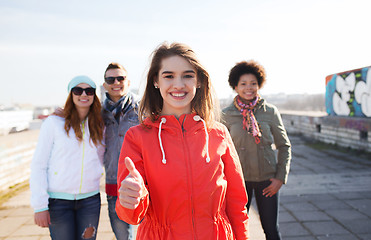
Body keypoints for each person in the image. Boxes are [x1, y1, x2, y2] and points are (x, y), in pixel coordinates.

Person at [115, 42, 249, 239]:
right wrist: (130, 199)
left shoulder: (218, 133)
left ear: (199, 81)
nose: (178, 84)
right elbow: (131, 216)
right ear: (156, 81)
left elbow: (237, 202)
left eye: (188, 75)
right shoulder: (137, 137)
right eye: (168, 76)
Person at [222, 60, 292, 240]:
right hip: (238, 182)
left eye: (253, 83)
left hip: (266, 181)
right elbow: (219, 151)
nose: (249, 88)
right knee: (235, 231)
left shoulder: (270, 111)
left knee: (271, 230)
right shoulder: (226, 115)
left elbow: (284, 146)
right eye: (243, 84)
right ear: (235, 86)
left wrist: (279, 178)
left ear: (259, 85)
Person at [30, 76, 105, 240]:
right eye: (78, 90)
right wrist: (40, 206)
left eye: (89, 91)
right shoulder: (53, 123)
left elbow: (101, 159)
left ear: (94, 95)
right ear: (71, 94)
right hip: (58, 202)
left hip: (90, 200)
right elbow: (38, 165)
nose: (84, 94)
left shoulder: (99, 126)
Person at [102, 62, 139, 239]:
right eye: (111, 79)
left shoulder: (142, 107)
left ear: (128, 82)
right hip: (113, 182)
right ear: (105, 85)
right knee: (123, 236)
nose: (116, 82)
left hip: (144, 181)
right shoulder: (98, 113)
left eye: (120, 78)